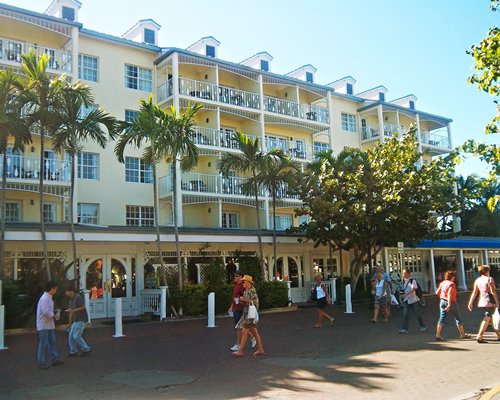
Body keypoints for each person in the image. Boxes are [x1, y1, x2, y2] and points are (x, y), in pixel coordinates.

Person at [232, 275, 265, 358]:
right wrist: (241, 301)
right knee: (254, 332)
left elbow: (254, 301)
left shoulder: (251, 291)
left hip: (249, 315)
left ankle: (240, 351)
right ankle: (260, 349)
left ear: (248, 283)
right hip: (247, 314)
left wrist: (244, 300)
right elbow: (246, 303)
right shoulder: (246, 291)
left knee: (244, 331)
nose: (242, 283)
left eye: (244, 282)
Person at [467, 264, 500, 343]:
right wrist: (497, 303)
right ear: (486, 271)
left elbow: (475, 292)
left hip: (482, 301)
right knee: (487, 317)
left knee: (491, 318)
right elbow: (493, 292)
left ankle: (498, 335)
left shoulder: (478, 280)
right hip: (490, 301)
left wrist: (470, 302)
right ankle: (480, 336)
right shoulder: (490, 279)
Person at [36, 281, 64, 369]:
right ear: (52, 289)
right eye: (55, 289)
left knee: (52, 342)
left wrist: (53, 313)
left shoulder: (48, 297)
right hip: (44, 324)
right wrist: (54, 315)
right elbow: (45, 311)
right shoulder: (45, 298)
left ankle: (54, 359)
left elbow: (46, 310)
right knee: (43, 343)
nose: (56, 290)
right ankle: (42, 362)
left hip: (48, 324)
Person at [435, 271, 470, 341]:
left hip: (442, 301)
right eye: (454, 276)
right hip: (451, 302)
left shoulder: (443, 283)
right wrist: (449, 304)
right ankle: (462, 334)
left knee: (442, 318)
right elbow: (450, 294)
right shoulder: (451, 284)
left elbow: (437, 292)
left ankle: (438, 334)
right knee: (458, 317)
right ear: (452, 277)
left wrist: (442, 297)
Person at [229, 270, 256, 352]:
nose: (235, 277)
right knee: (239, 327)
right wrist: (232, 306)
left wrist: (241, 301)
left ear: (241, 277)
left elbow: (245, 297)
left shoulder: (241, 286)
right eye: (235, 276)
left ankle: (239, 344)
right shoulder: (237, 285)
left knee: (240, 327)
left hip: (240, 308)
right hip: (236, 308)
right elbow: (235, 297)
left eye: (236, 276)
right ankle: (250, 339)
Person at [65, 284, 92, 357]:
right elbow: (71, 311)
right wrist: (69, 323)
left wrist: (73, 310)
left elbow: (83, 307)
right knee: (71, 336)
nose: (66, 293)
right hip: (75, 320)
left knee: (76, 336)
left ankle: (86, 348)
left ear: (71, 291)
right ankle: (73, 351)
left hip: (81, 319)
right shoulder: (70, 300)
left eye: (67, 291)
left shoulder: (77, 297)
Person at [398, 269, 427, 334]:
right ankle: (404, 329)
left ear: (409, 274)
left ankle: (423, 326)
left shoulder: (412, 281)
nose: (403, 274)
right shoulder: (404, 281)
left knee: (417, 314)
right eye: (403, 273)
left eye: (405, 273)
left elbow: (413, 289)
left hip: (413, 300)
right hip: (406, 300)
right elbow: (404, 289)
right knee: (405, 314)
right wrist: (402, 294)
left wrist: (406, 294)